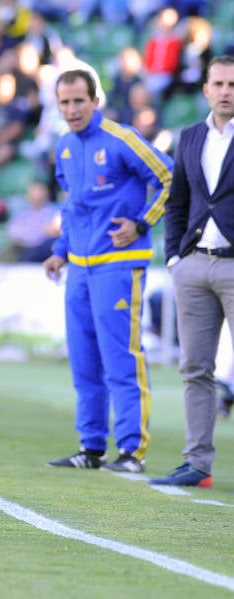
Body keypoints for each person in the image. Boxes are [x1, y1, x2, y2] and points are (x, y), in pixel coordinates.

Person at [43, 69, 173, 473]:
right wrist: (60, 250)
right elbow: (74, 206)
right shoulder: (64, 147)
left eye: (79, 100)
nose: (72, 109)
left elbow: (169, 178)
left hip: (118, 267)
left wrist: (141, 222)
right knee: (84, 363)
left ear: (95, 100)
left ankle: (132, 452)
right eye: (64, 102)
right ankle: (92, 448)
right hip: (79, 269)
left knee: (121, 358)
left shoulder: (122, 139)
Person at [150, 55, 234, 488]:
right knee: (194, 368)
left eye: (232, 84)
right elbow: (176, 202)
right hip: (194, 264)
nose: (225, 91)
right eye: (218, 83)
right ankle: (197, 464)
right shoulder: (189, 137)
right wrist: (174, 258)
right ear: (205, 88)